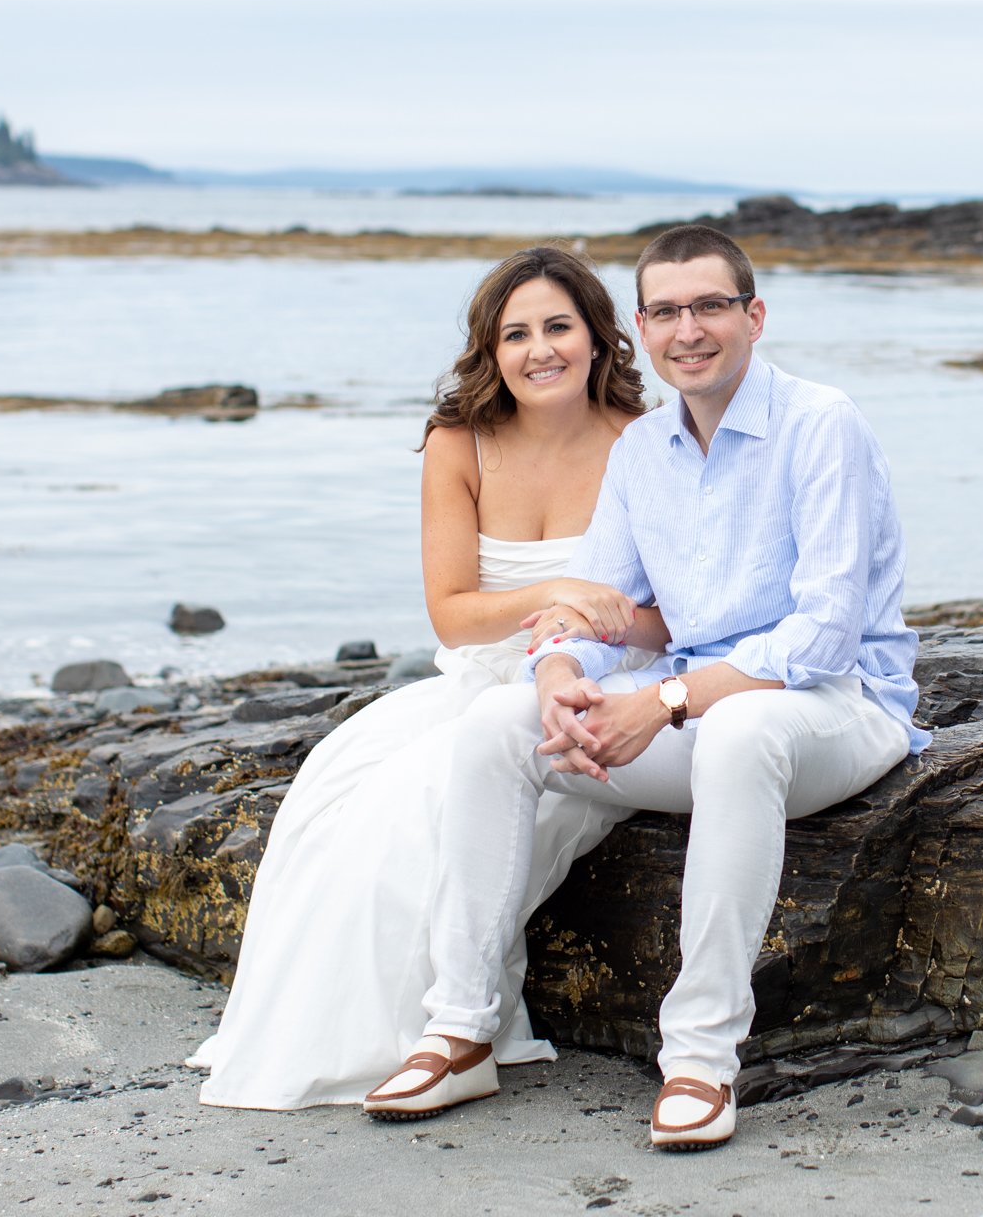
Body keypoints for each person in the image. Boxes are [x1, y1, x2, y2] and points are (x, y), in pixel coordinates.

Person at [362, 224, 927, 1151]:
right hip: (701, 710)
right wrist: (555, 678)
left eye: (709, 306)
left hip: (838, 711)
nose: (688, 330)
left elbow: (822, 636)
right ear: (641, 326)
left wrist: (662, 702)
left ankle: (701, 1057)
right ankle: (461, 1030)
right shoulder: (643, 452)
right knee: (500, 724)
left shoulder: (823, 424)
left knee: (744, 730)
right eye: (665, 311)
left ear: (753, 316)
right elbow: (598, 608)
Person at [190, 246, 664, 1110]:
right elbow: (451, 612)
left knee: (429, 813)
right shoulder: (459, 445)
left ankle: (451, 1039)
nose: (539, 350)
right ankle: (378, 1039)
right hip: (473, 685)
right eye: (514, 334)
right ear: (491, 351)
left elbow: (675, 611)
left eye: (558, 326)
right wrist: (557, 590)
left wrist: (606, 637)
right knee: (340, 807)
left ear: (599, 338)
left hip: (595, 691)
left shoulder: (646, 444)